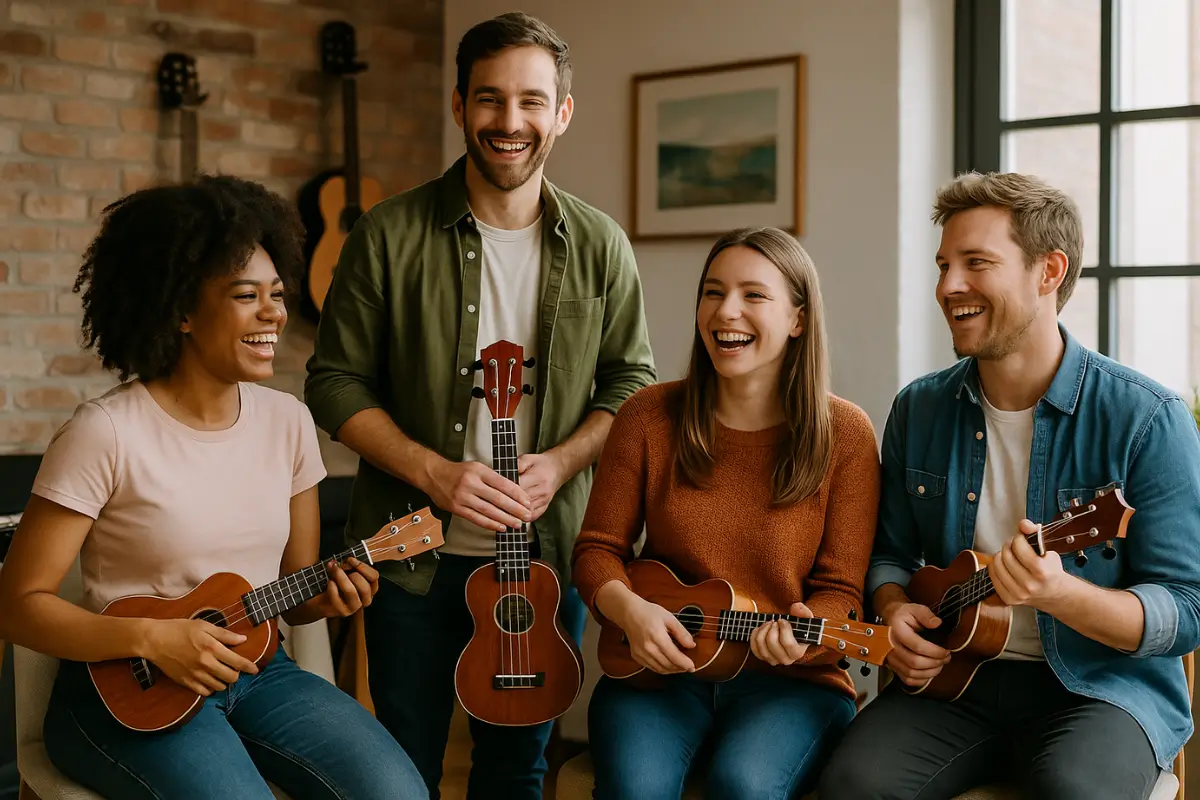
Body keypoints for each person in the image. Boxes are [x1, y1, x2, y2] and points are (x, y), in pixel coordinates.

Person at [303, 11, 655, 799]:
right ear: (459, 105)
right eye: (490, 99)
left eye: (532, 101)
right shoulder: (386, 235)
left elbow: (630, 381)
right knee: (398, 769)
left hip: (543, 560)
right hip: (406, 562)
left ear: (562, 112)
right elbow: (332, 382)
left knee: (516, 771)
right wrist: (432, 471)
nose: (510, 122)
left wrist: (561, 463)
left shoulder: (602, 245)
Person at [0, 176, 427, 800]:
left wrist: (330, 595)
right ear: (180, 310)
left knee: (399, 795)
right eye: (245, 295)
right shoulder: (105, 433)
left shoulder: (288, 422)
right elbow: (17, 604)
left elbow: (295, 586)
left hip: (258, 673)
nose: (274, 313)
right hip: (125, 689)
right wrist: (154, 637)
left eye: (276, 294)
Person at [818, 172, 1200, 800]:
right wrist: (894, 614)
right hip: (958, 681)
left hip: (1103, 689)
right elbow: (887, 554)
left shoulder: (1146, 418)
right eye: (944, 265)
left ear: (1049, 271)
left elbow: (1187, 607)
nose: (948, 287)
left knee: (1074, 791)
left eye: (977, 263)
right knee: (852, 784)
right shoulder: (919, 409)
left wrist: (1060, 595)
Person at [571, 227, 881, 800]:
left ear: (799, 319)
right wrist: (631, 612)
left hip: (791, 685)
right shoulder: (646, 416)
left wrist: (803, 637)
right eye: (712, 292)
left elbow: (841, 591)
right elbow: (596, 550)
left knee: (745, 786)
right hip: (658, 677)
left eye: (753, 295)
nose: (725, 311)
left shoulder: (846, 436)